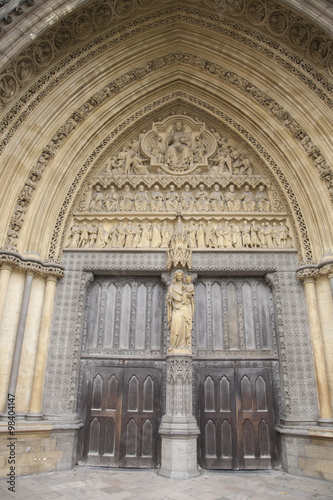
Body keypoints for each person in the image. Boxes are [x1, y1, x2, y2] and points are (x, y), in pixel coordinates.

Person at [166, 271, 193, 351]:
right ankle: (174, 345)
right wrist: (169, 299)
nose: (179, 277)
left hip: (184, 308)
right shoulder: (172, 287)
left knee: (185, 327)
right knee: (175, 325)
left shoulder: (186, 286)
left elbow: (191, 296)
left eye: (181, 275)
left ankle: (185, 346)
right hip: (175, 308)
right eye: (178, 276)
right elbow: (168, 296)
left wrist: (189, 298)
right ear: (175, 277)